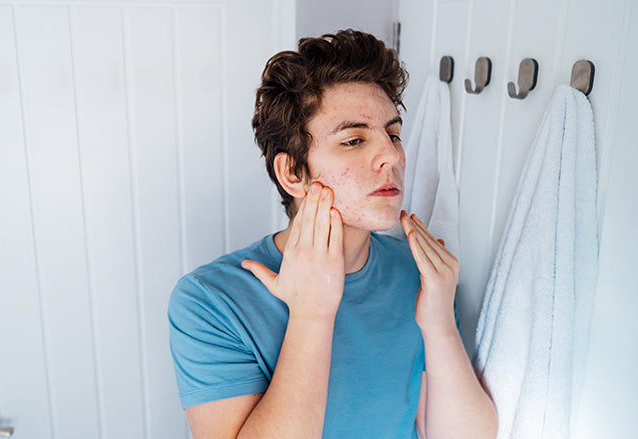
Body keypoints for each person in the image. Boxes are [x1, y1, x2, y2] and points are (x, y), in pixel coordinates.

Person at [168, 29, 497, 438]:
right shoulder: (212, 300)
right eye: (354, 140)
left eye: (393, 134)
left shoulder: (418, 275)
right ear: (293, 173)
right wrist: (311, 313)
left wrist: (439, 325)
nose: (391, 156)